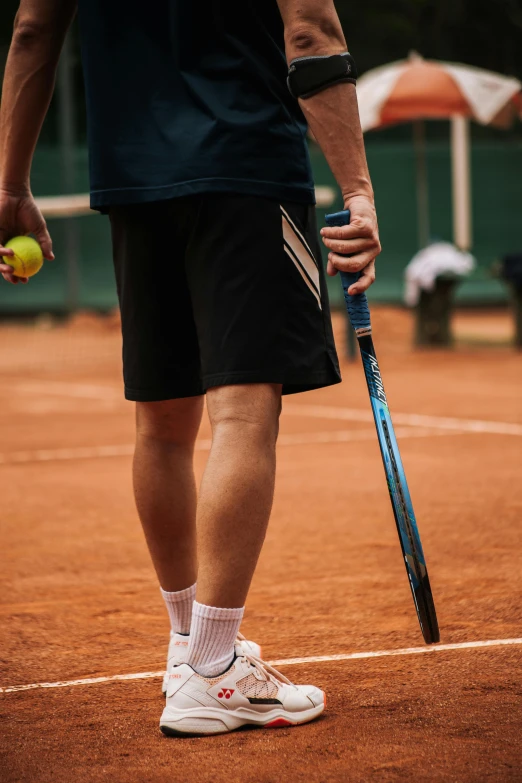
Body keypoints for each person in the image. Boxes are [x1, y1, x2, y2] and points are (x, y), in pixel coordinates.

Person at [0, 0, 380, 736]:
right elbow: (311, 30)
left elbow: (32, 31)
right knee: (243, 411)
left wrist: (10, 188)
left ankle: (188, 647)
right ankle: (213, 670)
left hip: (132, 175)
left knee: (162, 422)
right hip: (245, 162)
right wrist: (358, 190)